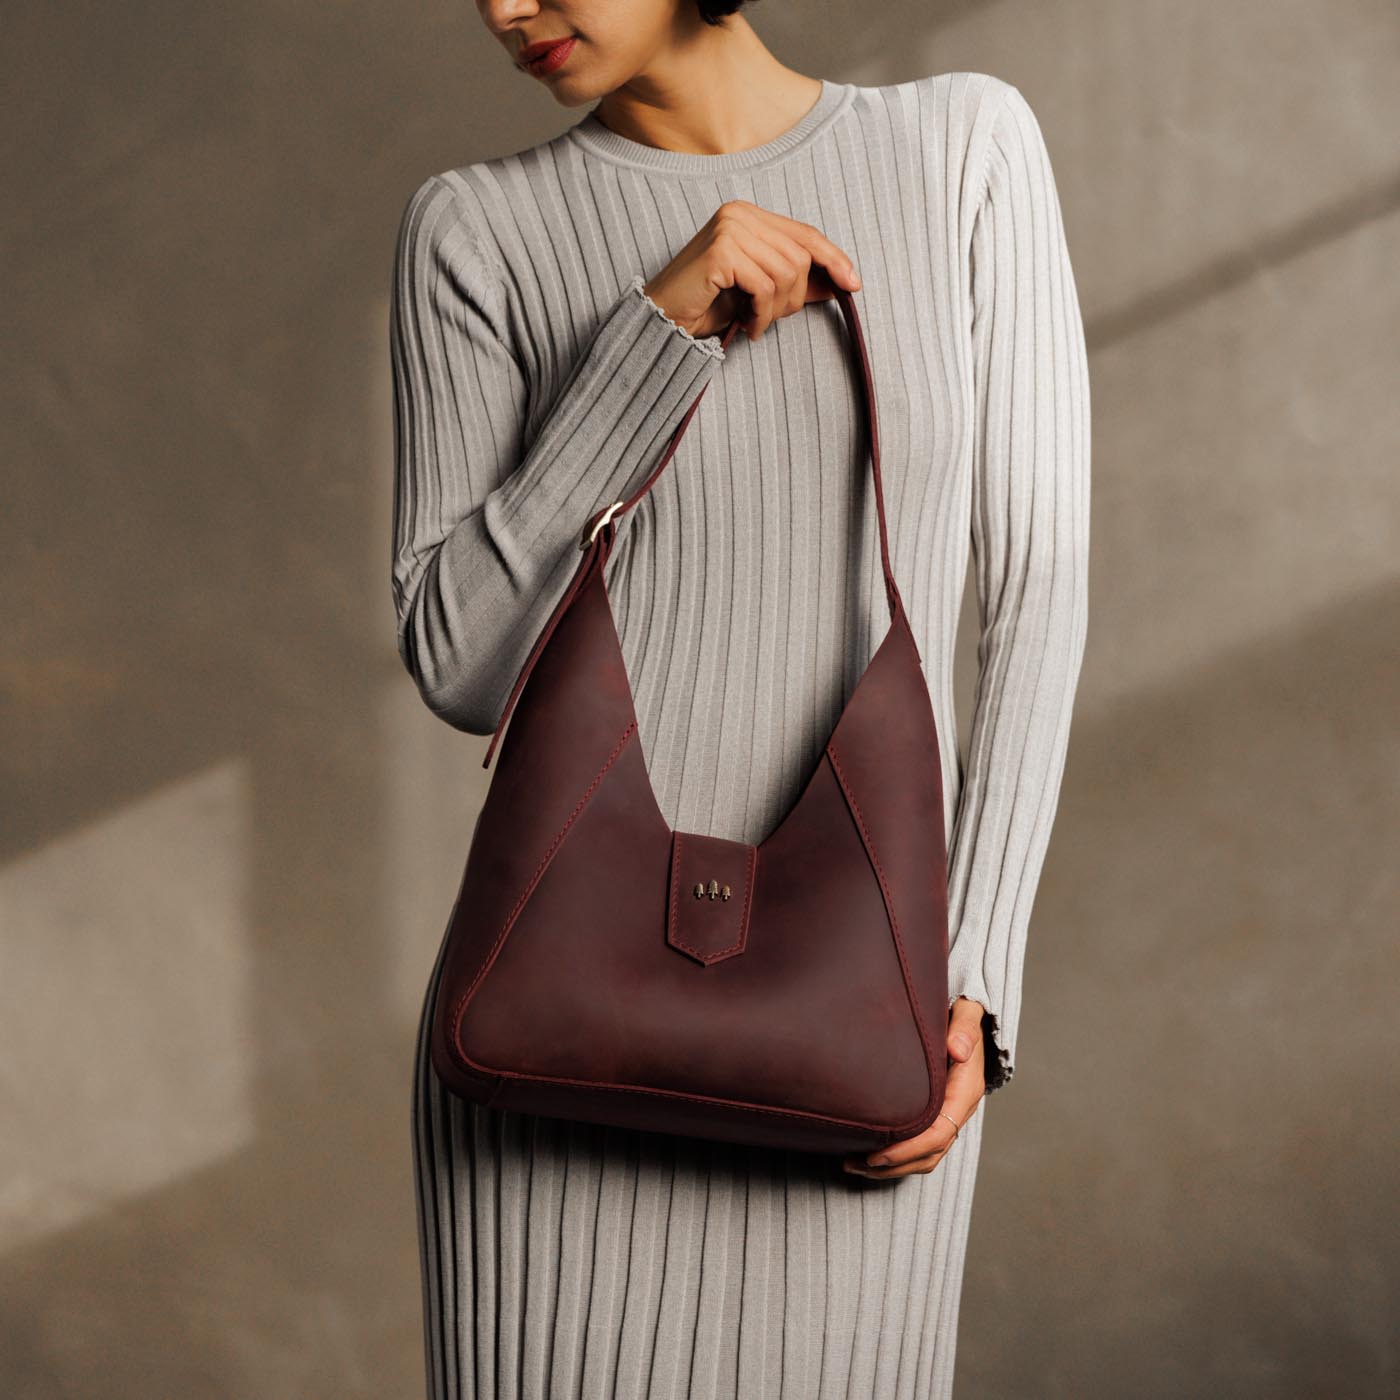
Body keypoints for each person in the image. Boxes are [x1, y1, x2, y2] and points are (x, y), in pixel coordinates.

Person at [388, 1, 1090, 1395]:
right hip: (556, 1043)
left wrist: (975, 977)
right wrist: (651, 339)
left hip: (860, 1022)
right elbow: (458, 660)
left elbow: (1038, 591)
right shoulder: (473, 229)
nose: (507, 4)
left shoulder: (962, 148)